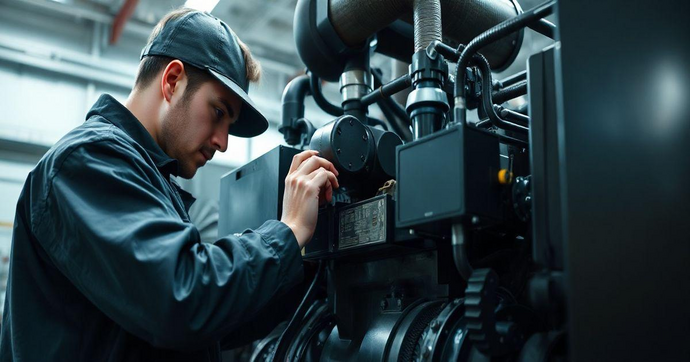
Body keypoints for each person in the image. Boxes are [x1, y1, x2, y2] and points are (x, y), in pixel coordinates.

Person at [0, 8, 339, 361]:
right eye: (219, 112)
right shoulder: (89, 160)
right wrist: (289, 231)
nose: (223, 142)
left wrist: (309, 267)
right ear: (172, 80)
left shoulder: (147, 176)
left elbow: (214, 324)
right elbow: (183, 296)